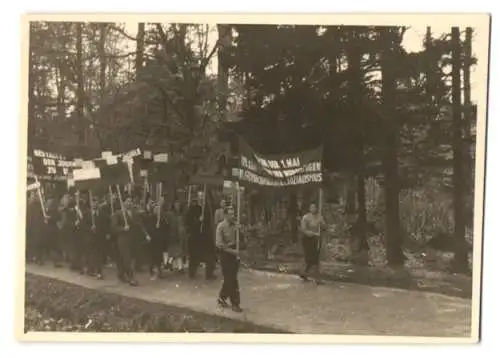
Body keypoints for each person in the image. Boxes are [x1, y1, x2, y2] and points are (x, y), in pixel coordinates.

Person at [111, 193, 142, 286]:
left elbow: (137, 224)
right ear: (123, 203)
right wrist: (123, 228)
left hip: (132, 239)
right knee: (127, 258)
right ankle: (131, 278)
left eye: (130, 201)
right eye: (127, 201)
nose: (130, 203)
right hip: (123, 240)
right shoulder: (118, 214)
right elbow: (114, 227)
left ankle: (120, 274)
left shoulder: (133, 212)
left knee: (127, 258)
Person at [215, 206, 243, 313]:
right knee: (232, 280)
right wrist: (232, 251)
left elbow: (241, 241)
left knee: (229, 279)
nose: (233, 216)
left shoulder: (235, 226)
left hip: (234, 256)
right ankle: (235, 303)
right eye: (230, 214)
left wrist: (239, 231)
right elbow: (219, 245)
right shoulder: (220, 227)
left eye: (233, 213)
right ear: (225, 215)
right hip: (225, 255)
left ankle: (222, 297)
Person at [185, 190, 216, 280]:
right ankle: (192, 272)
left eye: (203, 196)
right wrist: (198, 221)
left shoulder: (207, 207)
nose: (202, 198)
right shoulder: (193, 208)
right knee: (194, 255)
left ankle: (209, 273)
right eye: (200, 196)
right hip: (196, 235)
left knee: (210, 254)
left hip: (206, 234)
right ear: (197, 198)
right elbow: (188, 222)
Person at [299, 202, 327, 285]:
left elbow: (324, 226)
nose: (313, 209)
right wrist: (313, 233)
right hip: (307, 240)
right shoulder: (306, 217)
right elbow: (303, 230)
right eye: (311, 207)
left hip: (315, 240)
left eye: (314, 207)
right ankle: (317, 279)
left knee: (314, 259)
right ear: (309, 208)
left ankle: (304, 274)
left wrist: (323, 224)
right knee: (311, 258)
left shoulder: (319, 217)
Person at [166, 200, 187, 273]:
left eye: (179, 205)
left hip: (181, 234)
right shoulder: (171, 214)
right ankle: (177, 267)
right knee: (177, 251)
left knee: (179, 251)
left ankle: (171, 263)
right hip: (174, 234)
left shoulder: (181, 214)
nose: (177, 206)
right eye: (176, 205)